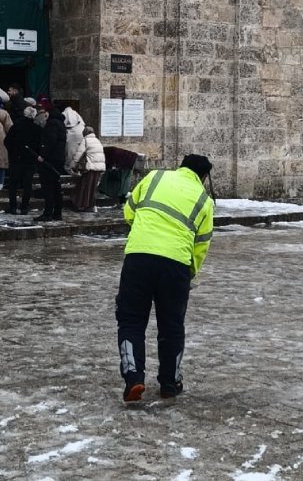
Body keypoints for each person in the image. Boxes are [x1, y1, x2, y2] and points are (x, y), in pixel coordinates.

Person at [116, 154, 214, 403]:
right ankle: (170, 382)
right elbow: (201, 244)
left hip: (138, 257)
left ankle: (134, 377)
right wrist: (190, 272)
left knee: (131, 320)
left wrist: (143, 231)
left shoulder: (154, 177)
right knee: (171, 325)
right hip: (176, 264)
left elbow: (129, 211)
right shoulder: (204, 199)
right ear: (203, 177)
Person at [4, 106, 43, 215]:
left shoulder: (16, 126)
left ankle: (13, 206)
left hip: (16, 159)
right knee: (27, 185)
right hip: (29, 161)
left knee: (13, 184)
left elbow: (7, 141)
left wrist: (12, 153)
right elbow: (40, 146)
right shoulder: (37, 129)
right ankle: (24, 207)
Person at [35, 109, 66, 221]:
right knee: (56, 187)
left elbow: (50, 141)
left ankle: (48, 213)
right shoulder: (60, 124)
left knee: (48, 187)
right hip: (58, 159)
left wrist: (42, 155)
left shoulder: (52, 124)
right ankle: (57, 213)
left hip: (50, 160)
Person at [71, 126, 106, 212]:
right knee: (92, 187)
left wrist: (73, 165)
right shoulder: (97, 141)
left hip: (90, 167)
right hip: (98, 168)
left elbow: (79, 154)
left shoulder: (86, 140)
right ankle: (91, 205)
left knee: (85, 186)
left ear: (85, 133)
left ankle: (83, 205)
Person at [63, 105, 86, 174]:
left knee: (70, 153)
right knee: (79, 152)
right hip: (80, 134)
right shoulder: (76, 114)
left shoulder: (64, 113)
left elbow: (65, 124)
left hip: (71, 136)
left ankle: (70, 168)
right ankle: (78, 168)